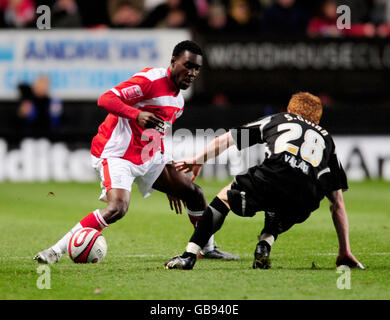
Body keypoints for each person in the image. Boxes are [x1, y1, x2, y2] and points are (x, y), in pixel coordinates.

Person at [34, 40, 238, 264]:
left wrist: (168, 172)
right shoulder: (150, 81)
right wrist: (136, 114)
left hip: (149, 157)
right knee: (118, 208)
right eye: (187, 65)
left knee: (194, 193)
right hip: (117, 154)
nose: (192, 72)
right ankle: (54, 251)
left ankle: (207, 248)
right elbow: (106, 99)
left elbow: (158, 133)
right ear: (173, 62)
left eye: (196, 69)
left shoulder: (178, 100)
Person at [164, 92, 364, 270]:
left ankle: (189, 255)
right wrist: (344, 250)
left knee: (225, 197)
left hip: (273, 176)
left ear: (290, 110)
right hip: (305, 199)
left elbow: (228, 139)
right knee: (283, 205)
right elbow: (337, 203)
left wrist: (198, 160)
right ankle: (265, 244)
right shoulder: (328, 140)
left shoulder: (279, 119)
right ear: (317, 121)